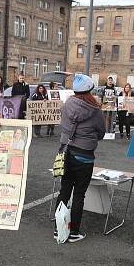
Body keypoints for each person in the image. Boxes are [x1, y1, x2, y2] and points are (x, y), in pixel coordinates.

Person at [54, 74, 105, 243]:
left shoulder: (67, 104)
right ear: (90, 90)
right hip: (84, 156)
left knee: (64, 191)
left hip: (66, 153)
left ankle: (58, 229)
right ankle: (74, 231)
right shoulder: (95, 110)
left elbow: (64, 125)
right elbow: (101, 133)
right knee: (79, 195)